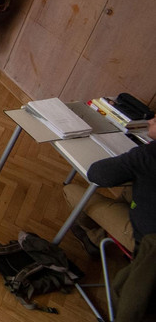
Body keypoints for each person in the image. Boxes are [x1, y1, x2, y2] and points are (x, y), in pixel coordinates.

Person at [64, 117, 156, 321]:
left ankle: (95, 240)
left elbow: (97, 174)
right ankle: (98, 237)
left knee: (72, 192)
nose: (150, 121)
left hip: (146, 244)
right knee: (131, 189)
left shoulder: (149, 156)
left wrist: (132, 159)